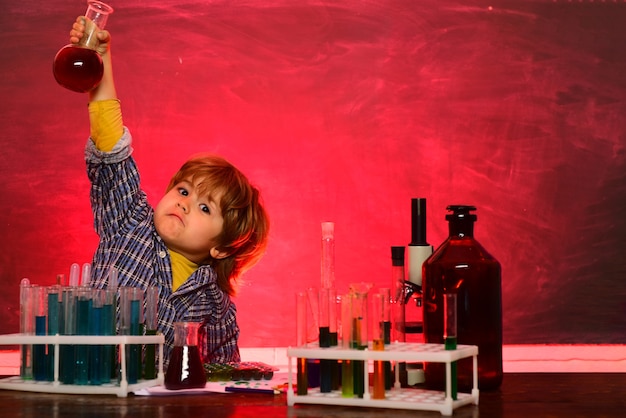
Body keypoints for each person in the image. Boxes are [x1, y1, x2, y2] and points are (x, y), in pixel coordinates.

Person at [69, 17, 270, 366]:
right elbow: (111, 146)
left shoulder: (214, 301)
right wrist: (102, 60)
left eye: (205, 208)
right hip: (92, 386)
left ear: (221, 248)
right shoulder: (129, 223)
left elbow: (224, 368)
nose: (185, 204)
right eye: (184, 190)